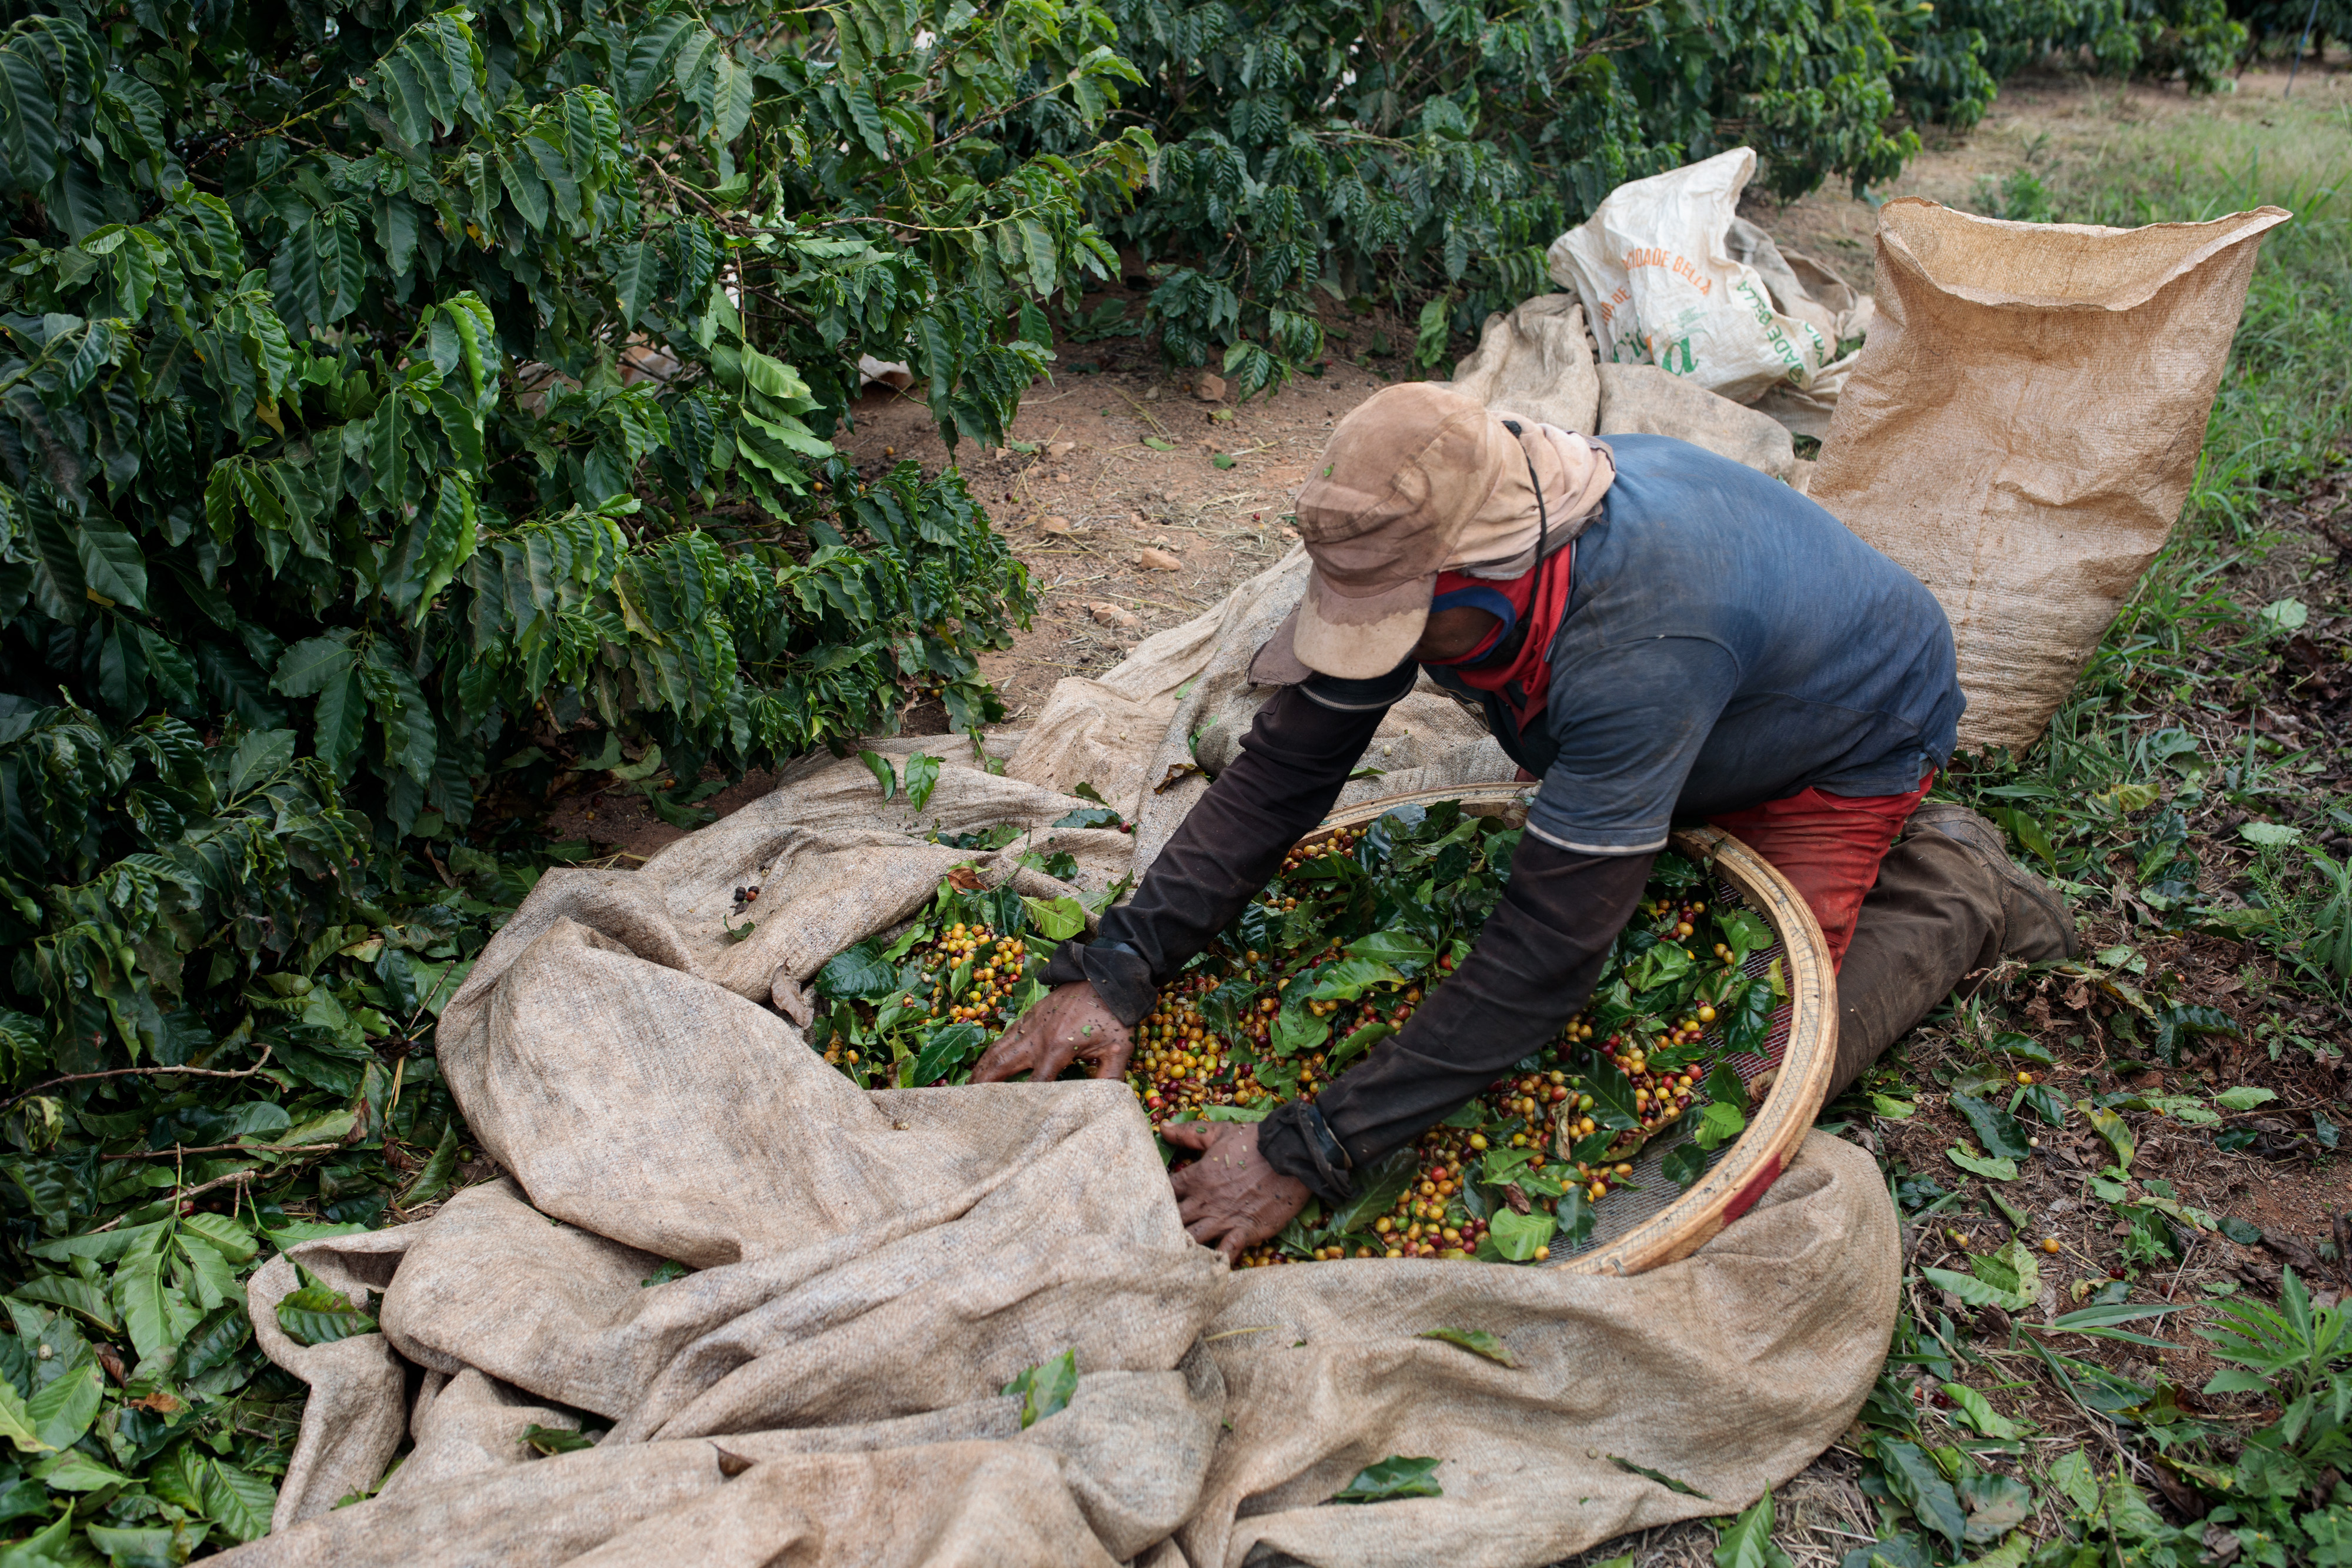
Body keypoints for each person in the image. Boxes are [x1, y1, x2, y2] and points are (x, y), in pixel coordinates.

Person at [971, 383, 2074, 1259]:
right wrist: (1121, 962)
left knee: (1728, 1077)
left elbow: (1543, 964)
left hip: (1846, 737)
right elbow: (1285, 771)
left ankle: (1958, 885)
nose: (1385, 641)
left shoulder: (1641, 641)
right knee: (1595, 894)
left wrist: (1313, 1146)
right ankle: (1673, 807)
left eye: (1404, 622)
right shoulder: (1445, 552)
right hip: (1689, 712)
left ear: (1485, 576)